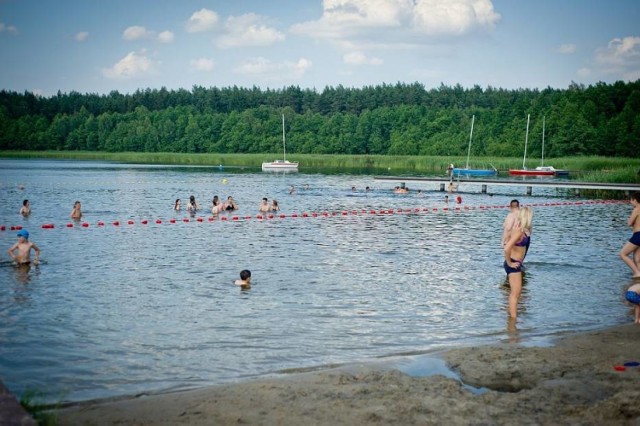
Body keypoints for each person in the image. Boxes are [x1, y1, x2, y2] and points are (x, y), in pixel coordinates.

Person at [503, 206, 533, 319]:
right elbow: (506, 248)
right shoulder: (519, 232)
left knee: (516, 293)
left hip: (517, 263)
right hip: (513, 264)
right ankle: (512, 322)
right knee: (515, 294)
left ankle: (511, 315)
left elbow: (506, 240)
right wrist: (510, 263)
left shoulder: (523, 230)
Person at [620, 192, 640, 278]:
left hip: (638, 235)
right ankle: (639, 277)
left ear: (635, 200)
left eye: (631, 200)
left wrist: (629, 219)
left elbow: (629, 223)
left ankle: (637, 273)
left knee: (623, 254)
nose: (630, 202)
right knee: (637, 259)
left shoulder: (636, 209)